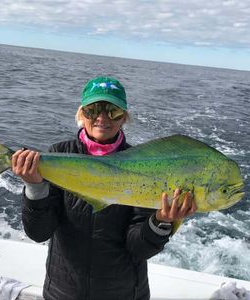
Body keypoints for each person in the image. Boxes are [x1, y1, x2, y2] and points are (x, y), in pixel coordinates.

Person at [11, 76, 197, 300]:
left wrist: (161, 221)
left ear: (124, 118)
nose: (102, 118)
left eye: (113, 111)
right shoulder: (59, 153)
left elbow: (139, 249)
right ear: (81, 114)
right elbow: (39, 233)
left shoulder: (144, 165)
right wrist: (34, 187)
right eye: (93, 110)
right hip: (63, 293)